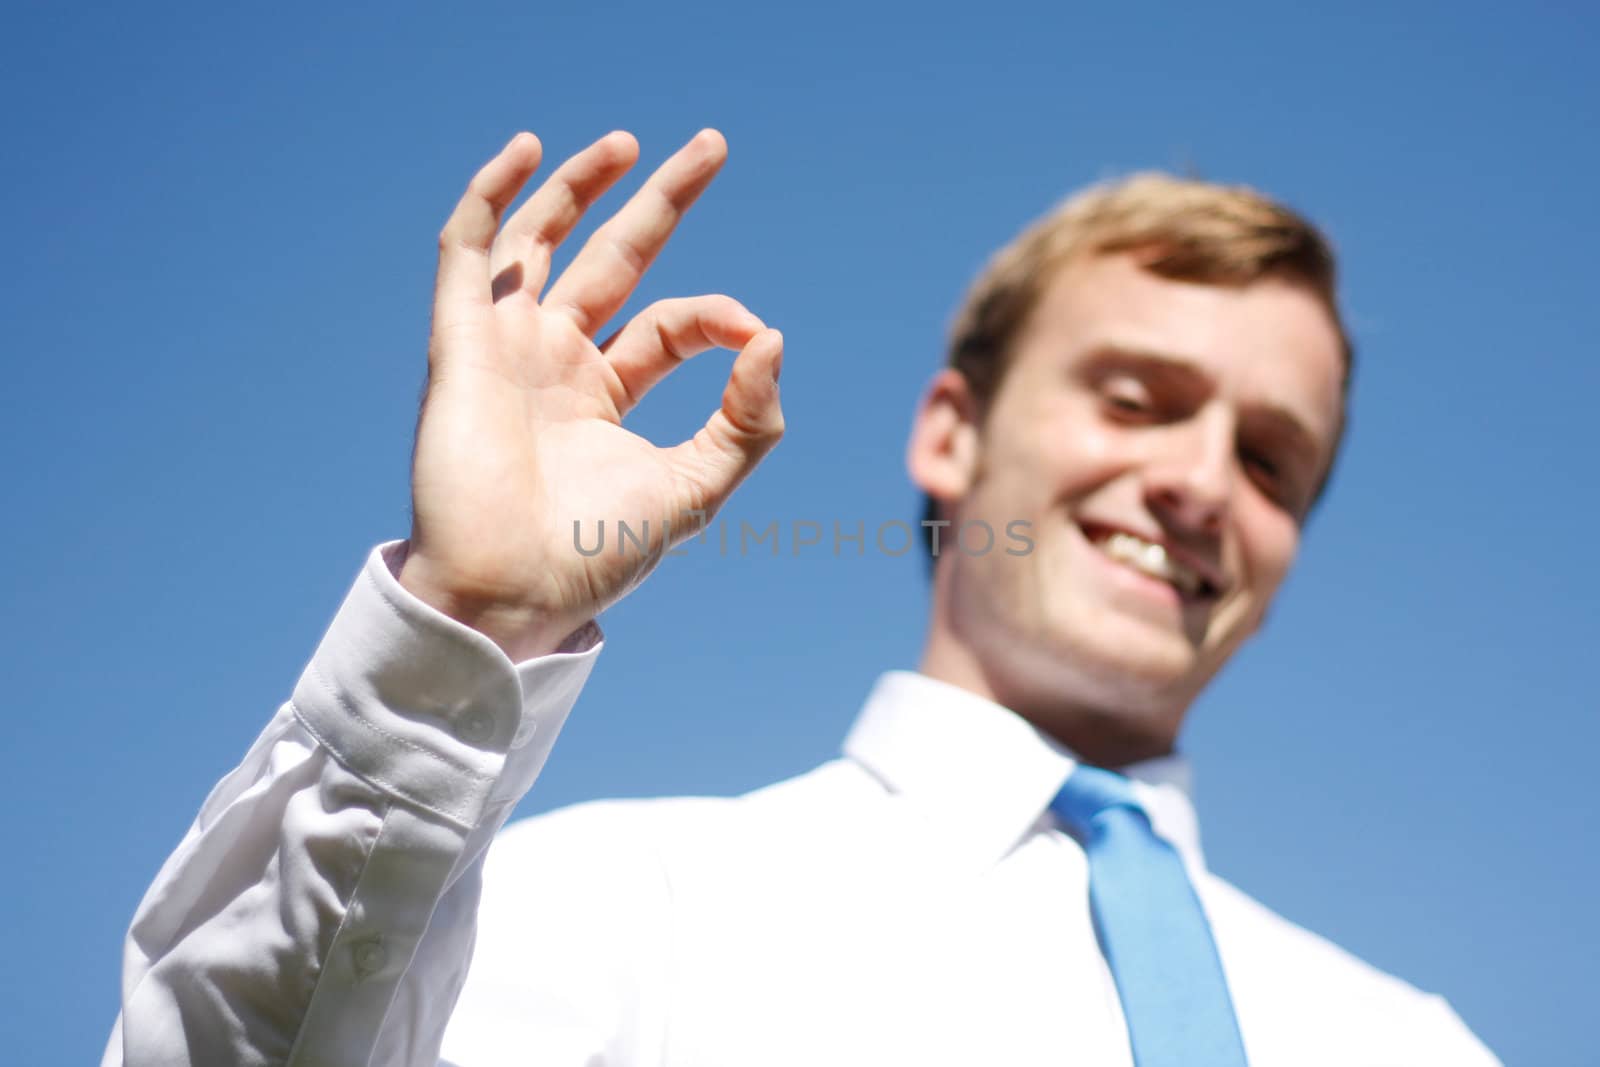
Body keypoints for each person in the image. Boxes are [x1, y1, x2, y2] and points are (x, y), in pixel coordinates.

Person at [104, 129, 1502, 1066]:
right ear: (950, 433)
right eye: (1137, 400)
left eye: (1271, 459)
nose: (1200, 484)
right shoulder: (604, 907)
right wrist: (464, 627)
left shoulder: (1418, 1044)